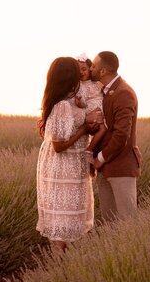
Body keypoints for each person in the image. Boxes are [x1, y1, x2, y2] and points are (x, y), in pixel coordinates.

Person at [36, 57, 95, 251]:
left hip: (74, 163)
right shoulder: (61, 105)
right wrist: (84, 128)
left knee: (70, 217)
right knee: (62, 217)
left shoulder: (71, 100)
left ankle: (65, 265)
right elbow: (58, 146)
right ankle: (57, 265)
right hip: (62, 165)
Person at [89, 51, 142, 222]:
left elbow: (121, 135)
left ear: (103, 71)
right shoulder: (103, 91)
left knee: (127, 223)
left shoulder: (123, 92)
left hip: (121, 166)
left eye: (94, 66)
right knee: (109, 224)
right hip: (106, 168)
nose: (91, 68)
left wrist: (100, 158)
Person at [74, 53, 106, 160]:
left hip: (100, 110)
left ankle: (90, 149)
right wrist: (80, 104)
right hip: (91, 111)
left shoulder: (96, 82)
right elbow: (83, 104)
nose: (81, 72)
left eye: (84, 69)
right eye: (78, 70)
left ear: (90, 70)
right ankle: (90, 149)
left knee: (102, 130)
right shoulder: (79, 86)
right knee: (100, 129)